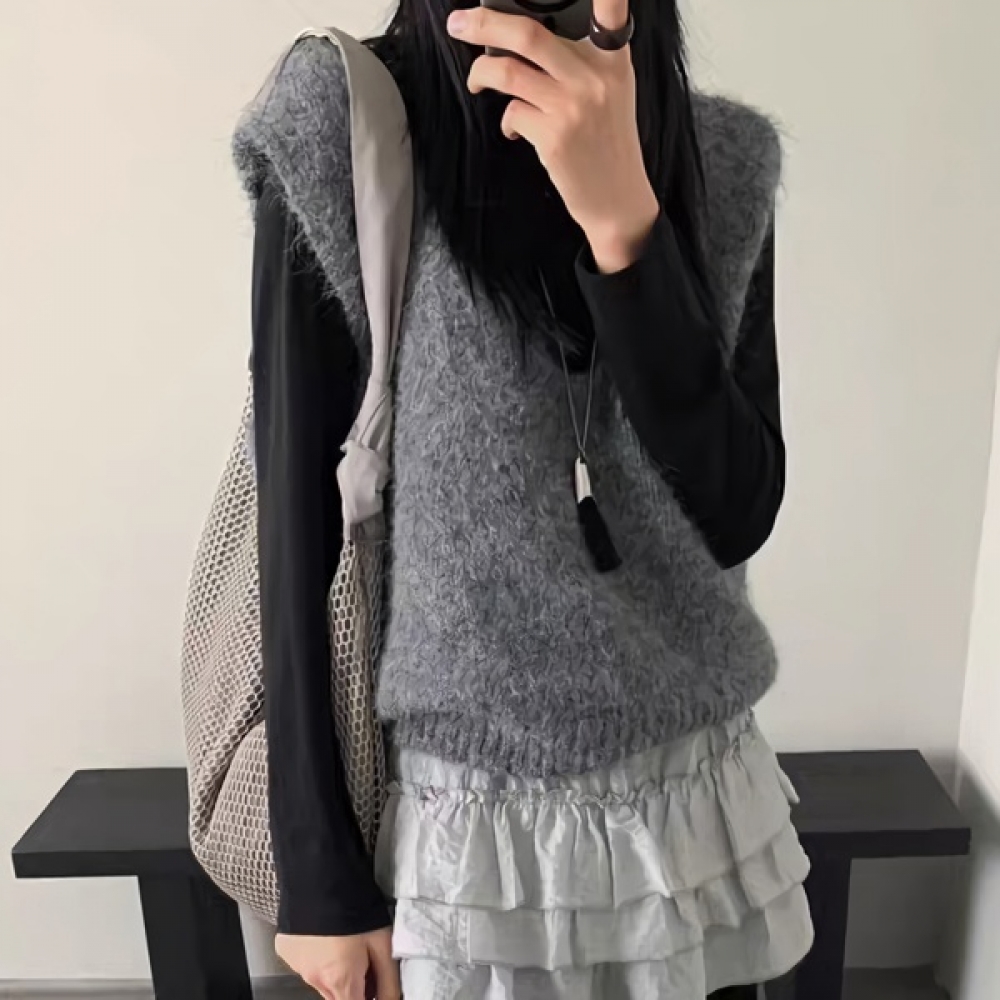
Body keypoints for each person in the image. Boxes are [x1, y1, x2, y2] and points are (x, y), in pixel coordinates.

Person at [243, 0, 814, 996]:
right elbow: (295, 522)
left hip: (697, 810)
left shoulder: (718, 155)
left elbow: (737, 512)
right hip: (469, 842)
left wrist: (625, 227)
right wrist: (318, 879)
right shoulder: (353, 120)